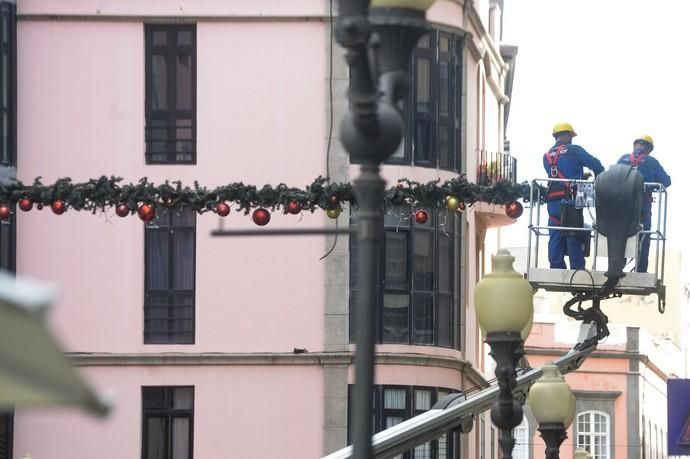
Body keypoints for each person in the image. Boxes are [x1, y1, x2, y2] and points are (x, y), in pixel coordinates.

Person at [544, 122, 604, 270]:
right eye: (571, 136)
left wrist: (579, 175)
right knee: (573, 233)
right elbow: (596, 164)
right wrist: (598, 176)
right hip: (571, 199)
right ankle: (577, 268)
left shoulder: (546, 156)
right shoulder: (574, 150)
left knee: (555, 233)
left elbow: (561, 174)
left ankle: (556, 266)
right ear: (568, 135)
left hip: (552, 200)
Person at [616, 135, 671, 272]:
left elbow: (613, 178)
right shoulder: (651, 162)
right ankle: (640, 269)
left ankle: (617, 266)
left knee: (620, 234)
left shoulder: (623, 159)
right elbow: (666, 181)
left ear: (635, 145)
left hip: (622, 205)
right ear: (649, 149)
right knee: (644, 235)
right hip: (642, 205)